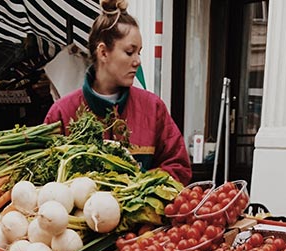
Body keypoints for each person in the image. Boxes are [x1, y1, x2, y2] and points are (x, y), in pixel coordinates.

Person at [44, 0, 191, 184]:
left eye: (139, 52)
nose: (137, 61)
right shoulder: (62, 113)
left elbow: (179, 167)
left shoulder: (153, 108)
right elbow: (44, 176)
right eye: (130, 52)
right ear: (103, 52)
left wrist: (139, 183)